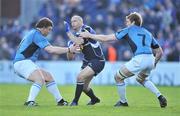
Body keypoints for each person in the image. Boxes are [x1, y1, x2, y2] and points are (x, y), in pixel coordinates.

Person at [80, 12, 167, 108]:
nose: (126, 23)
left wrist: (89, 35)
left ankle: (123, 102)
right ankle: (160, 96)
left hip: (140, 58)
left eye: (128, 21)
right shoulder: (148, 33)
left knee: (118, 77)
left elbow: (106, 38)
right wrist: (154, 63)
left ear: (133, 22)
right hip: (150, 58)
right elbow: (160, 52)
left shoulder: (128, 30)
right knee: (141, 79)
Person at [13, 17, 78, 106]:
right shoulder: (37, 34)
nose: (49, 32)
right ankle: (30, 102)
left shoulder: (33, 33)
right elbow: (51, 50)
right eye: (49, 29)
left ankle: (60, 101)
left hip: (23, 63)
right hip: (23, 62)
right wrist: (69, 49)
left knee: (48, 77)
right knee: (39, 79)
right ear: (43, 27)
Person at [64, 15, 105, 106]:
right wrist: (70, 50)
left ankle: (75, 102)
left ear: (81, 22)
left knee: (79, 77)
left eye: (75, 21)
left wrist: (68, 32)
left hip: (98, 60)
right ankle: (94, 99)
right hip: (87, 61)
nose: (72, 23)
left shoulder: (86, 29)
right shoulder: (73, 38)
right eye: (71, 22)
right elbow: (70, 58)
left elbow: (79, 41)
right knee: (84, 87)